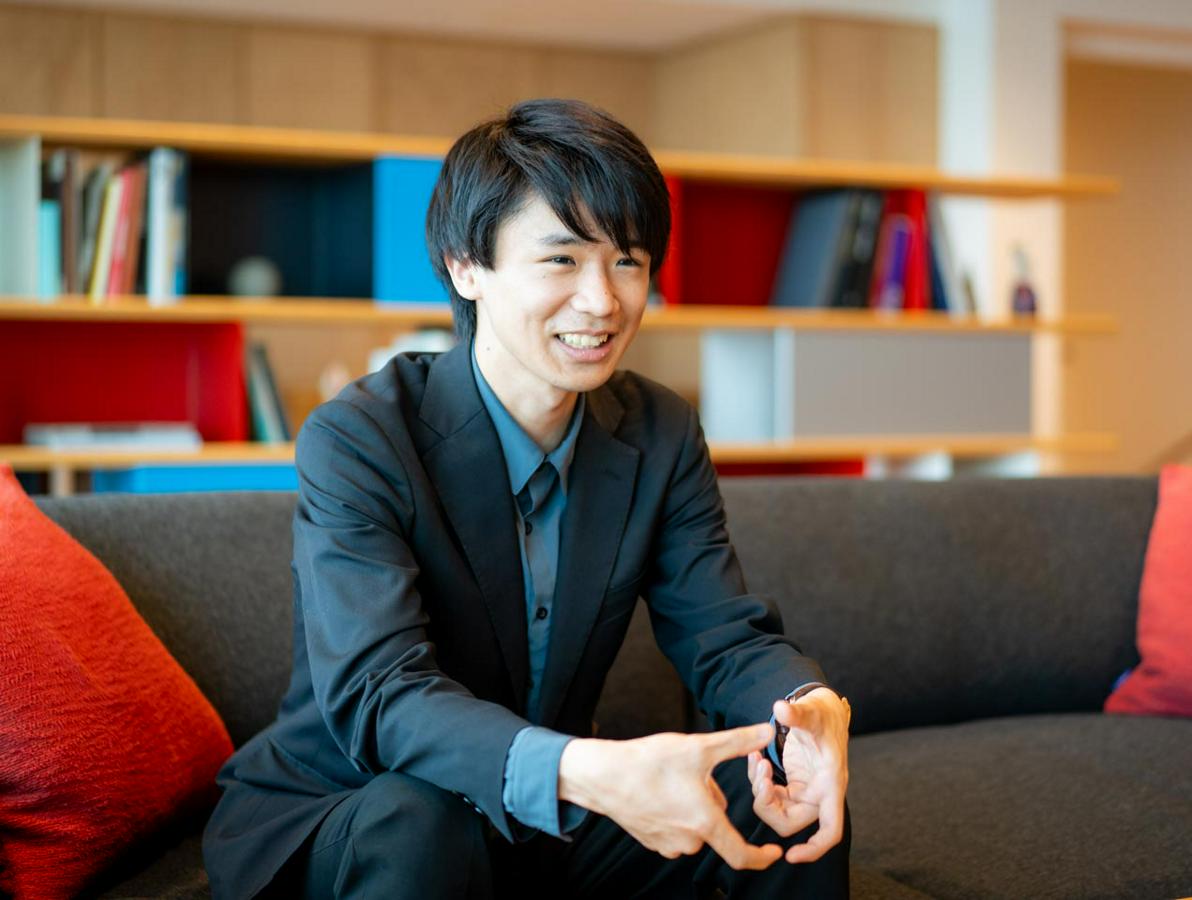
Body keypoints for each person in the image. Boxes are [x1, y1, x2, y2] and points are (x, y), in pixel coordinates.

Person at [202, 97, 852, 899]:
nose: (603, 301)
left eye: (628, 260)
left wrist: (804, 709)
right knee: (423, 819)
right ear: (465, 267)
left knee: (779, 806)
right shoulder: (363, 436)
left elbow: (721, 635)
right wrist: (586, 769)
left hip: (547, 819)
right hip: (355, 808)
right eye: (562, 260)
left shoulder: (659, 432)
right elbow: (380, 691)